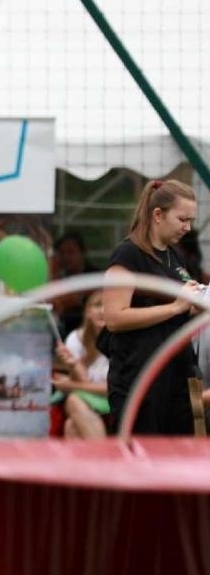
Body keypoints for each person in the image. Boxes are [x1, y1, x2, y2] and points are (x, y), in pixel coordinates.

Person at [102, 178, 203, 435]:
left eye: (190, 220)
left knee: (178, 463)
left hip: (176, 376)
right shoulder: (128, 255)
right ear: (158, 214)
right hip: (138, 379)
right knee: (140, 463)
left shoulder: (174, 255)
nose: (188, 228)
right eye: (182, 219)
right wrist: (176, 307)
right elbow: (114, 318)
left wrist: (197, 304)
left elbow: (179, 307)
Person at [52, 291, 110, 440]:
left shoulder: (120, 340)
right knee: (70, 425)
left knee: (73, 401)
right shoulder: (75, 338)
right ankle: (102, 460)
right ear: (88, 312)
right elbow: (84, 381)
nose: (103, 310)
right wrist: (73, 365)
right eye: (97, 305)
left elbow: (110, 388)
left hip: (109, 398)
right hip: (88, 397)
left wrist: (71, 385)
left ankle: (106, 457)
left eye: (108, 305)